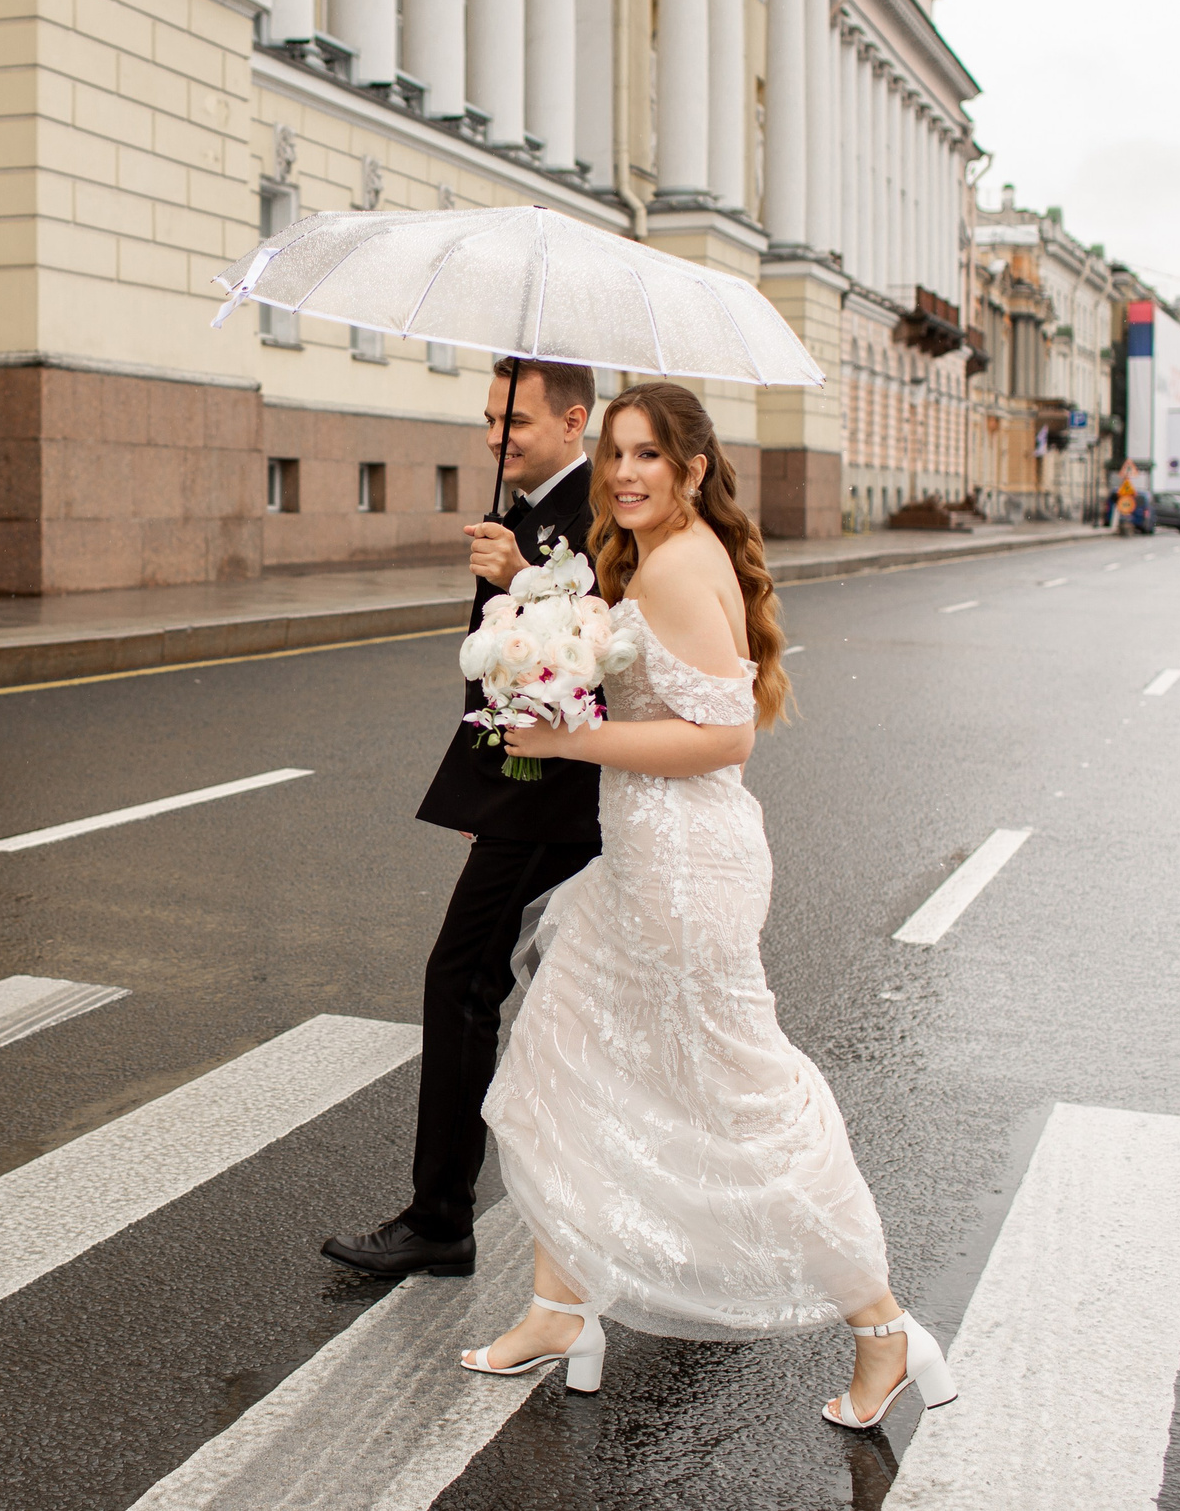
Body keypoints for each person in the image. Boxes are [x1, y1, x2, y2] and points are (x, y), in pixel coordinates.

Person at [456, 381, 957, 1430]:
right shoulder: (656, 555)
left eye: (648, 456)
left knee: (746, 1109)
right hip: (647, 864)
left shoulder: (680, 564)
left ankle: (885, 1331)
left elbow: (720, 742)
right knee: (558, 1055)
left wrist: (565, 736)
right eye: (614, 456)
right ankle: (558, 1307)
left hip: (684, 871)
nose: (625, 472)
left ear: (690, 469)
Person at [319, 358, 603, 1279]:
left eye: (514, 420)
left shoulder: (598, 507)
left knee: (463, 976)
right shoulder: (523, 512)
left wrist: (524, 577)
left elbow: (611, 641)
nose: (495, 437)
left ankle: (442, 1214)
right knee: (579, 991)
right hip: (523, 789)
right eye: (488, 419)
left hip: (560, 795)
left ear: (572, 419)